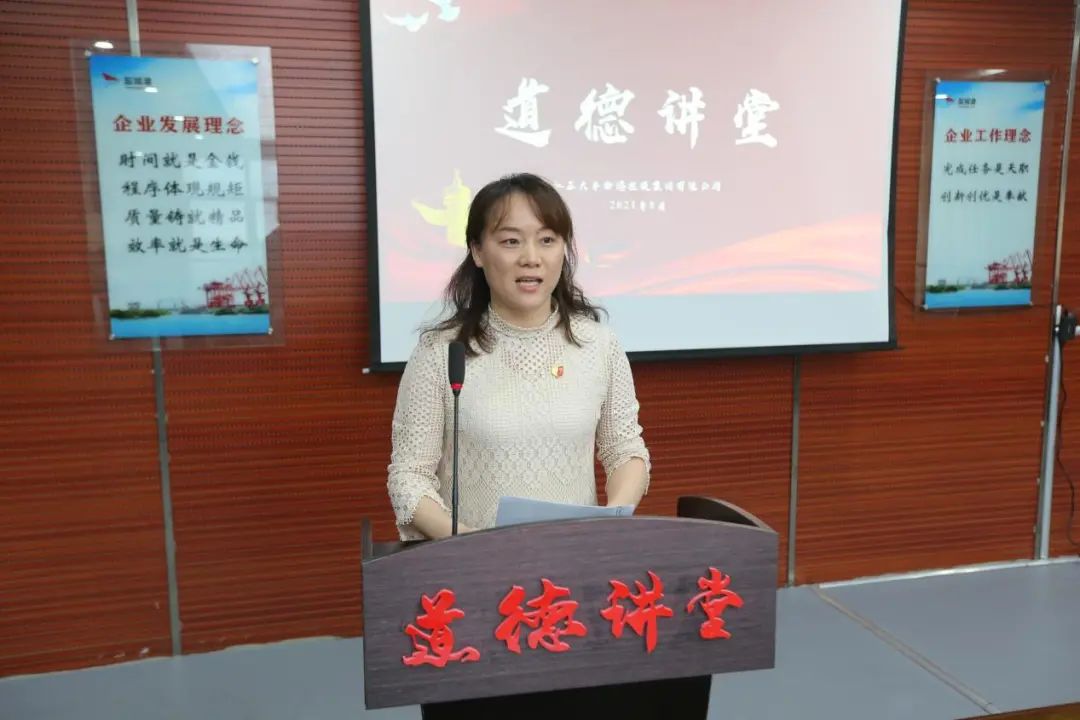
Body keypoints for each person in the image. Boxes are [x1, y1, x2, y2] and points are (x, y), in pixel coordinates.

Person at [386, 172, 650, 541]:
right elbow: (409, 477)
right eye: (511, 241)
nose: (531, 258)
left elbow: (625, 450)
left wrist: (611, 518)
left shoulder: (599, 344)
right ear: (478, 251)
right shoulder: (440, 352)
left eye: (547, 240)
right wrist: (471, 544)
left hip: (575, 556)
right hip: (477, 562)